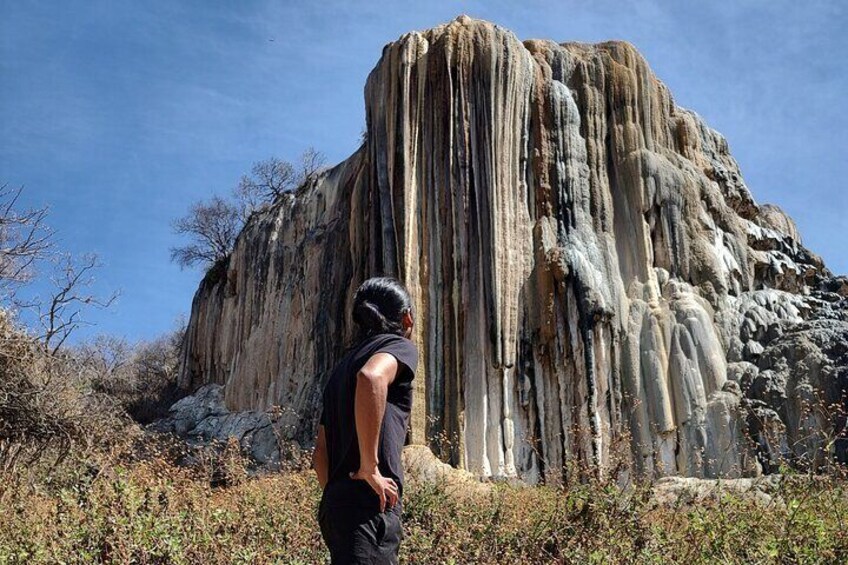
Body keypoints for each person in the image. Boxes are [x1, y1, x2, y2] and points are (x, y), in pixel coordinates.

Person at [312, 276, 419, 564]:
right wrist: (369, 469)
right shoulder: (398, 346)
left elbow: (320, 452)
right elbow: (371, 377)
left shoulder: (340, 369)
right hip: (368, 503)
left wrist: (337, 493)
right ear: (406, 318)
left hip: (337, 506)